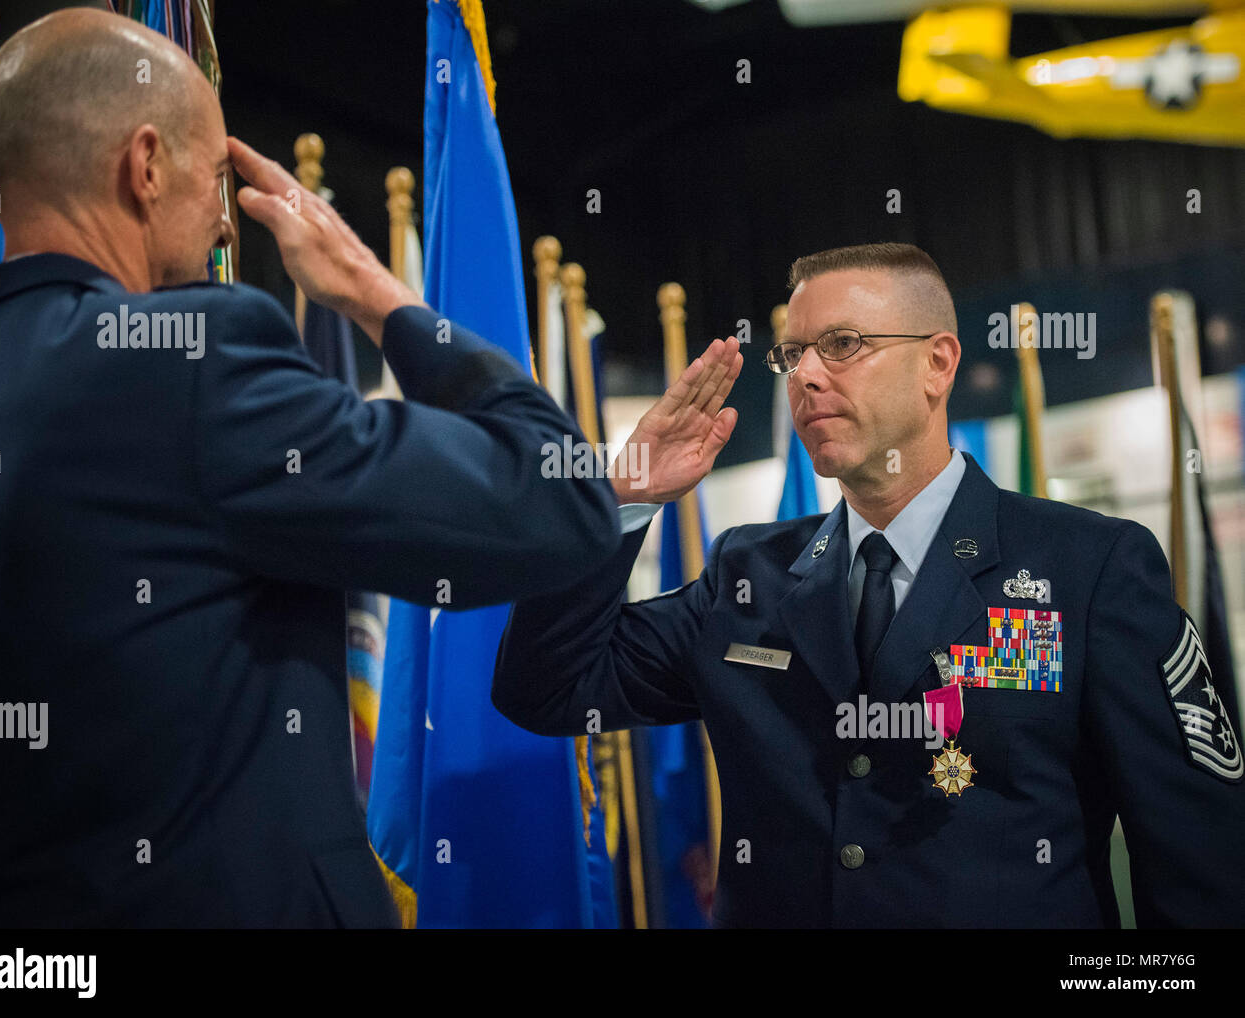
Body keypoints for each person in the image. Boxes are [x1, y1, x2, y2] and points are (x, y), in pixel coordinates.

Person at [0, 8, 621, 927]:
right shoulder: (189, 367)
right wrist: (376, 294)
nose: (225, 217)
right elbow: (556, 504)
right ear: (145, 167)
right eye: (216, 174)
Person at [494, 242, 1245, 928]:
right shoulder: (746, 577)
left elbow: (1198, 863)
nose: (808, 375)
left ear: (938, 364)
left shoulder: (1089, 567)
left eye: (844, 345)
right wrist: (623, 500)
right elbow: (550, 687)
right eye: (792, 356)